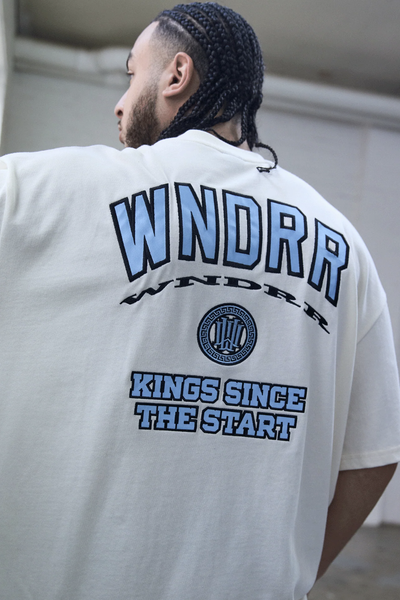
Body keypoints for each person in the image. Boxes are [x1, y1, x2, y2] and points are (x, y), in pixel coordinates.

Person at [0, 3, 399, 599]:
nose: (119, 104)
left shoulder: (34, 193)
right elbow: (375, 452)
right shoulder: (342, 242)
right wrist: (290, 575)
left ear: (176, 74)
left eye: (132, 75)